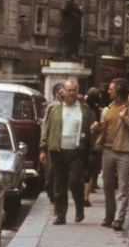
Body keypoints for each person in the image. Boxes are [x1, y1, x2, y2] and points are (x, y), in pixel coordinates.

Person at [40, 79, 96, 225]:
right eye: (69, 90)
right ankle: (61, 215)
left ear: (77, 92)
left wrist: (91, 151)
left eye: (74, 90)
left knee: (75, 182)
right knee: (59, 185)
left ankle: (79, 208)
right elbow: (47, 130)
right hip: (58, 151)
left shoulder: (85, 109)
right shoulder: (55, 110)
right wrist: (43, 149)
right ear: (63, 92)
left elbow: (91, 132)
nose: (72, 93)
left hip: (77, 152)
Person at [97, 80, 129, 231]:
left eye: (111, 89)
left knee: (123, 187)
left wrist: (125, 118)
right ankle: (109, 214)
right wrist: (97, 129)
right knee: (107, 185)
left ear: (119, 91)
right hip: (107, 150)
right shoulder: (108, 108)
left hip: (125, 151)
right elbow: (104, 128)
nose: (108, 91)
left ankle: (119, 219)